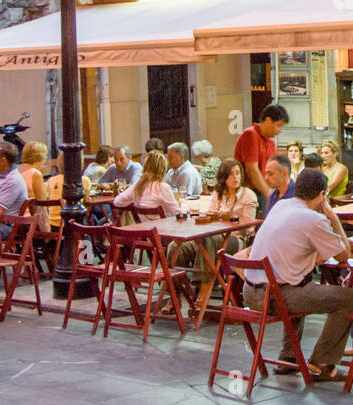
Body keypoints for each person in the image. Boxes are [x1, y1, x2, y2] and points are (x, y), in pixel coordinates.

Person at [243, 168, 353, 382]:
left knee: (298, 281)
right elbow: (343, 254)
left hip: (250, 292)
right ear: (322, 195)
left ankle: (289, 357)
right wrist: (333, 218)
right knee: (348, 299)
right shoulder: (314, 219)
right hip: (275, 297)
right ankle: (322, 363)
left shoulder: (281, 206)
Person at [190, 158, 259, 288]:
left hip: (236, 239)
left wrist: (229, 217)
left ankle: (204, 289)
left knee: (207, 241)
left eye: (238, 173)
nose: (235, 177)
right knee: (178, 247)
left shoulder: (247, 195)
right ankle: (177, 294)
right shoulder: (218, 193)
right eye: (231, 174)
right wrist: (214, 216)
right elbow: (211, 214)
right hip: (214, 236)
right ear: (224, 177)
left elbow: (249, 227)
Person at [234, 104, 288, 196]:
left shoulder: (271, 142)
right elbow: (251, 171)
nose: (280, 130)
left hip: (266, 191)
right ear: (267, 120)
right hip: (250, 193)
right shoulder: (250, 134)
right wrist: (269, 195)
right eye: (279, 125)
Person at [114, 151, 178, 219]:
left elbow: (117, 202)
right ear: (162, 169)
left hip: (142, 228)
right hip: (162, 228)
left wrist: (133, 203)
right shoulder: (163, 187)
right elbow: (175, 212)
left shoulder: (137, 185)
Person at [19, 141, 52, 232]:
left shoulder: (16, 169)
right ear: (40, 157)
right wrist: (47, 228)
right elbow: (42, 202)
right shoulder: (35, 173)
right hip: (28, 220)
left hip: (13, 218)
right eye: (45, 156)